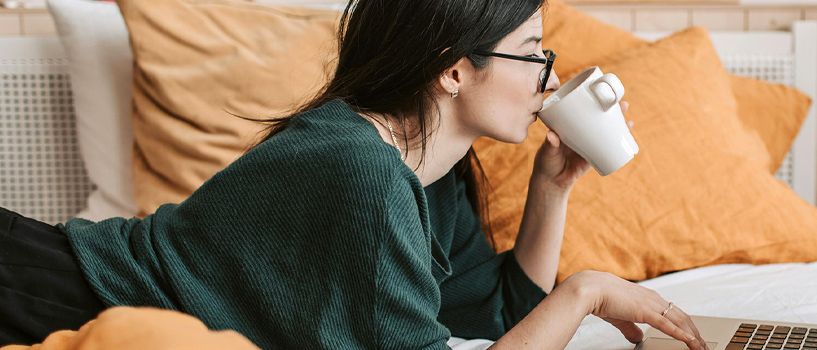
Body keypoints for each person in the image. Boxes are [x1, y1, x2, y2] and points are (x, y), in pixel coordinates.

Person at [0, 0, 708, 349]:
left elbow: (491, 320)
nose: (547, 79)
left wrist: (553, 186)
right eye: (532, 55)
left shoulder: (432, 170)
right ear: (455, 68)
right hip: (56, 295)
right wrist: (582, 294)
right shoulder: (359, 172)